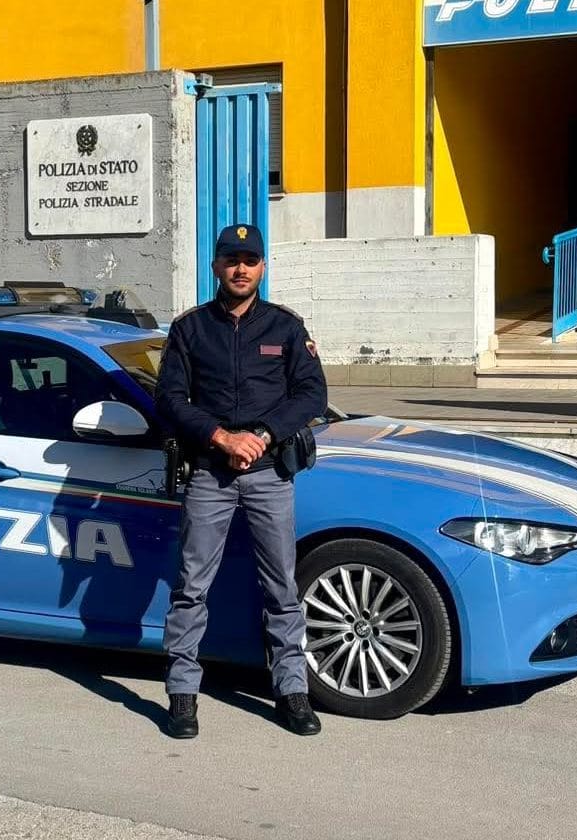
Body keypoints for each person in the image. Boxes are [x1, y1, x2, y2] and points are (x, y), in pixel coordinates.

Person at [155, 222, 327, 738]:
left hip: (270, 472)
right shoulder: (190, 329)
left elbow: (311, 395)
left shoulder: (285, 327)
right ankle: (182, 693)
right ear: (216, 266)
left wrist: (262, 434)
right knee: (191, 586)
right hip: (210, 472)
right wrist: (221, 437)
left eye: (250, 260)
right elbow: (169, 399)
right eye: (231, 259)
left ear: (262, 267)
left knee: (281, 587)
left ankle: (292, 691)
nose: (240, 269)